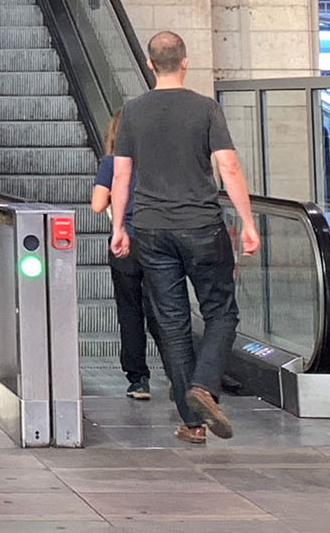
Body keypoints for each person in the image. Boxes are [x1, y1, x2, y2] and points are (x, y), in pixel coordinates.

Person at [108, 32, 260, 445]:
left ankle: (192, 421)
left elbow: (121, 174)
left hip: (152, 231)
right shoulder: (205, 108)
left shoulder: (133, 112)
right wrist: (247, 222)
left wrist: (119, 227)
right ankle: (205, 386)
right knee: (221, 312)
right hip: (202, 226)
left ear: (149, 63)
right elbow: (227, 167)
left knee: (172, 321)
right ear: (185, 62)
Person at [91, 111, 158, 402]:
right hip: (159, 242)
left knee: (129, 311)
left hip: (125, 243)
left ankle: (138, 379)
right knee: (165, 310)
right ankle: (183, 374)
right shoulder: (157, 162)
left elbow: (96, 205)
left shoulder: (111, 162)